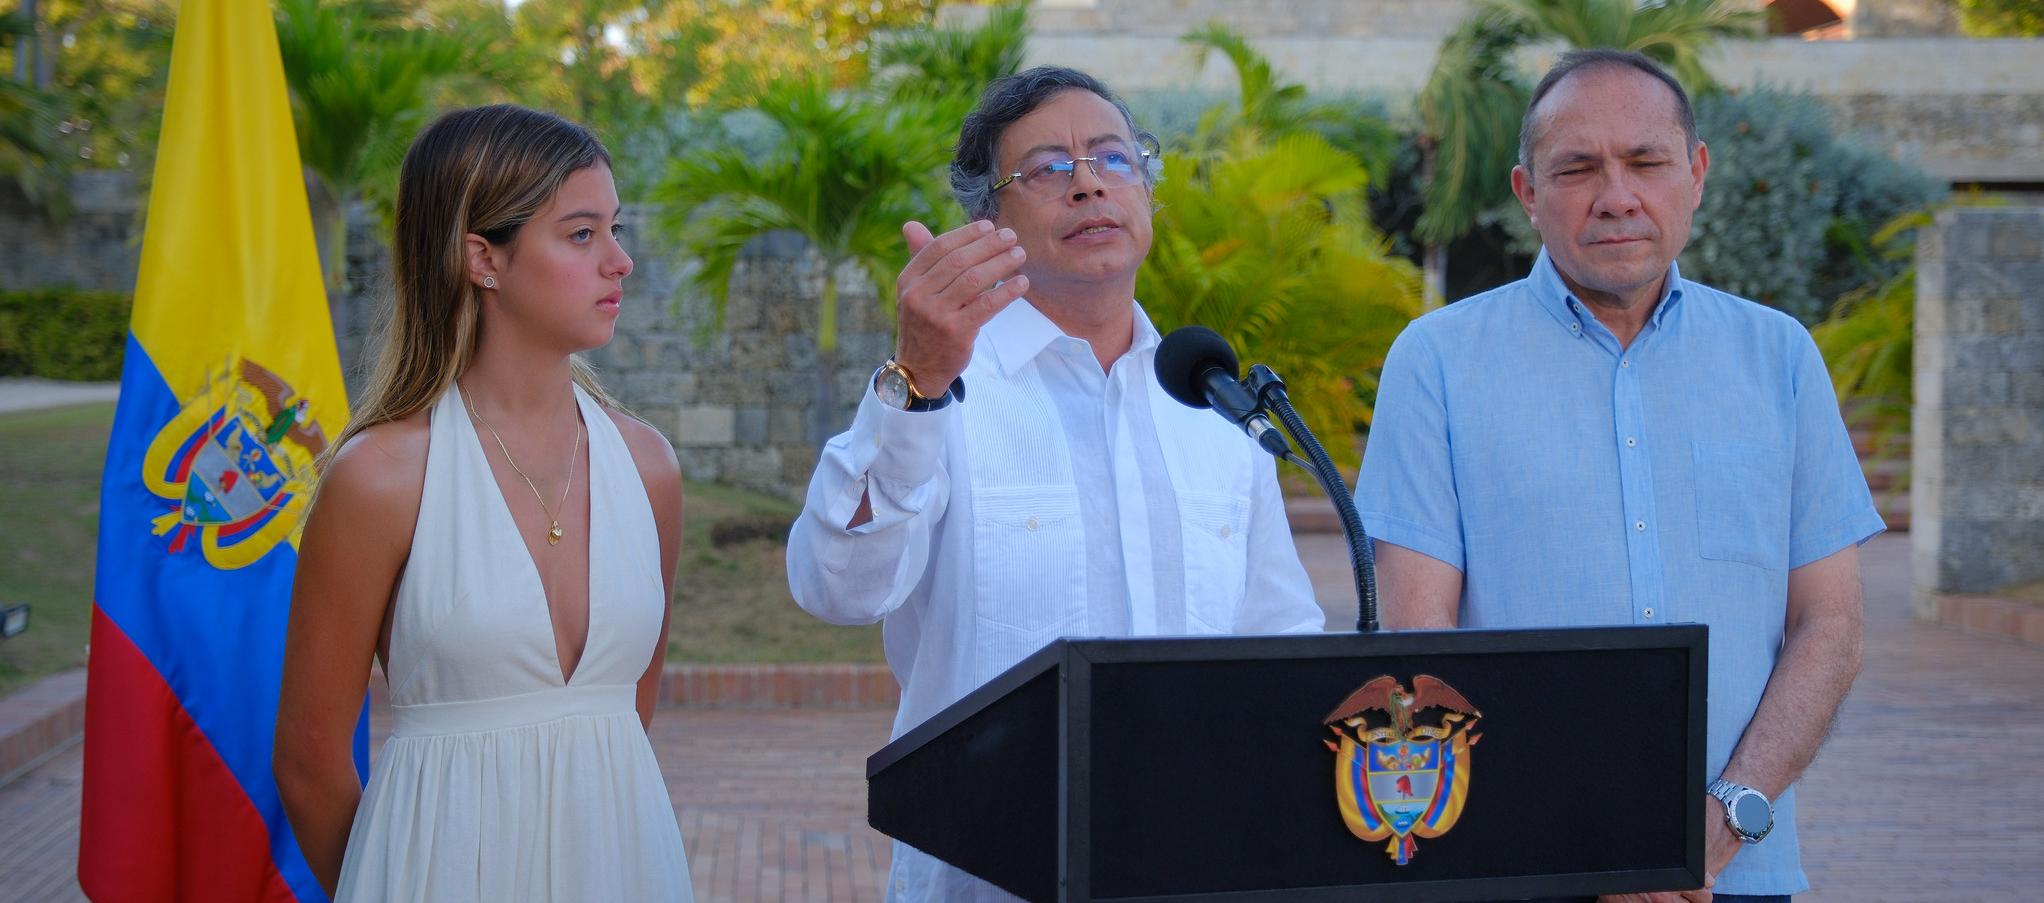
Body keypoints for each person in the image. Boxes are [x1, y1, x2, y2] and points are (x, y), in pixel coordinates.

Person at [785, 66, 1327, 901]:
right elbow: (838, 587)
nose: (1088, 184)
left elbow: (1280, 642)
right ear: (987, 222)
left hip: (1198, 864)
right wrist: (916, 382)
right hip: (992, 872)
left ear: (1146, 191)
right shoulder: (941, 393)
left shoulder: (1213, 400)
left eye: (1112, 158)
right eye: (1046, 169)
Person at [1358, 50, 1884, 903]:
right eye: (1577, 168)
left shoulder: (1779, 357)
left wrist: (1723, 820)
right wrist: (1595, 844)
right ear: (1529, 193)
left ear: (1697, 174)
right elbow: (1421, 641)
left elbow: (1830, 626)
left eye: (1646, 161)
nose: (1617, 196)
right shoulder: (1438, 362)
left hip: (1736, 874)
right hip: (1520, 868)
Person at [273, 105, 692, 901]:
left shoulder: (648, 469)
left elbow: (623, 723)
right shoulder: (381, 478)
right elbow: (307, 759)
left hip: (623, 867)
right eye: (582, 234)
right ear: (483, 258)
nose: (621, 261)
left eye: (615, 228)